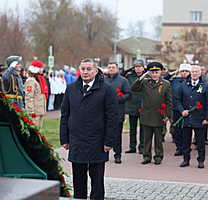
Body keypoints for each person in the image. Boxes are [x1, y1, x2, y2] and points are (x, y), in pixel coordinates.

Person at [60, 58, 118, 200]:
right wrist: (64, 138)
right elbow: (65, 114)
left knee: (97, 179)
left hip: (97, 141)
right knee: (78, 179)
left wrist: (109, 141)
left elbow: (112, 117)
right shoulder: (72, 88)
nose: (85, 72)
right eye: (83, 69)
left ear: (96, 71)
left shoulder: (106, 89)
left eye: (89, 69)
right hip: (77, 140)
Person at [131, 62, 172, 165]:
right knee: (146, 138)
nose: (154, 74)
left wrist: (167, 115)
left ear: (161, 72)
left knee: (158, 139)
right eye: (152, 72)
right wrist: (143, 76)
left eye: (156, 72)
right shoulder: (145, 82)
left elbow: (169, 101)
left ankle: (158, 156)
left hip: (159, 115)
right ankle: (146, 156)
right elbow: (134, 88)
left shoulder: (166, 84)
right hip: (147, 114)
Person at [176, 65, 208, 169]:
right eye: (192, 72)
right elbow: (178, 100)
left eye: (196, 71)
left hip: (200, 118)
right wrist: (182, 110)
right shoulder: (183, 85)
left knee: (200, 142)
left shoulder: (205, 86)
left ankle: (201, 160)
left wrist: (207, 118)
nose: (194, 73)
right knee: (186, 141)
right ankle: (186, 159)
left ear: (200, 73)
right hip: (187, 118)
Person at [104, 62, 130, 164]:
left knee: (117, 135)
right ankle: (104, 154)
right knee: (104, 134)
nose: (111, 69)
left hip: (118, 111)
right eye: (109, 67)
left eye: (113, 67)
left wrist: (119, 99)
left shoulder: (123, 81)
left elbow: (128, 94)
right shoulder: (103, 80)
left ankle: (117, 155)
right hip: (104, 112)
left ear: (117, 69)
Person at [124, 59, 145, 154]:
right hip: (132, 104)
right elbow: (121, 74)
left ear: (143, 67)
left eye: (139, 66)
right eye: (136, 67)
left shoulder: (147, 77)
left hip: (143, 105)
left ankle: (142, 147)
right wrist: (129, 69)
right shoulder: (129, 76)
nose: (138, 68)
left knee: (143, 129)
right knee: (132, 129)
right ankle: (132, 146)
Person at [171, 63, 191, 156]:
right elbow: (164, 78)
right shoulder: (175, 80)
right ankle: (179, 147)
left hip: (188, 110)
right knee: (177, 129)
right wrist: (172, 73)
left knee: (186, 130)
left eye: (186, 71)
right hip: (176, 109)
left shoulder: (192, 81)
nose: (184, 73)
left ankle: (186, 147)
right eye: (182, 71)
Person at [24, 60, 46, 126]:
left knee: (39, 132)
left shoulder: (38, 80)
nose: (42, 69)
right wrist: (31, 111)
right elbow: (29, 97)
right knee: (34, 132)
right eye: (40, 68)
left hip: (39, 111)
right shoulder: (31, 81)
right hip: (34, 112)